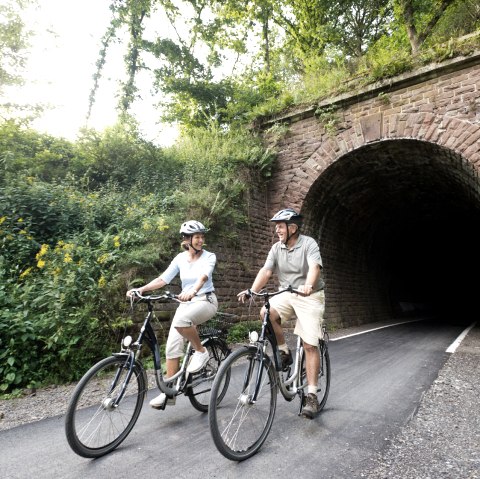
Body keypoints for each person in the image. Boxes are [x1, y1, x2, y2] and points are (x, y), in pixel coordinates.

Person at [238, 208, 325, 419]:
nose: (277, 230)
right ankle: (284, 350)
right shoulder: (276, 248)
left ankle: (312, 395)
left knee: (309, 344)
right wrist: (252, 291)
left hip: (309, 295)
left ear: (292, 228)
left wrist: (308, 285)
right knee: (266, 312)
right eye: (276, 226)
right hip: (286, 293)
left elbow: (315, 266)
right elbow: (266, 271)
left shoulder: (309, 244)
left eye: (280, 226)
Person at [127, 220, 218, 409]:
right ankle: (169, 393)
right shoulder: (179, 259)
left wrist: (193, 291)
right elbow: (163, 279)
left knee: (182, 320)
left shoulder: (209, 257)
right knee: (171, 347)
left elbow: (204, 276)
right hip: (186, 303)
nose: (201, 240)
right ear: (187, 239)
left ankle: (201, 352)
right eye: (197, 237)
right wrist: (141, 290)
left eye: (202, 237)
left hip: (205, 300)